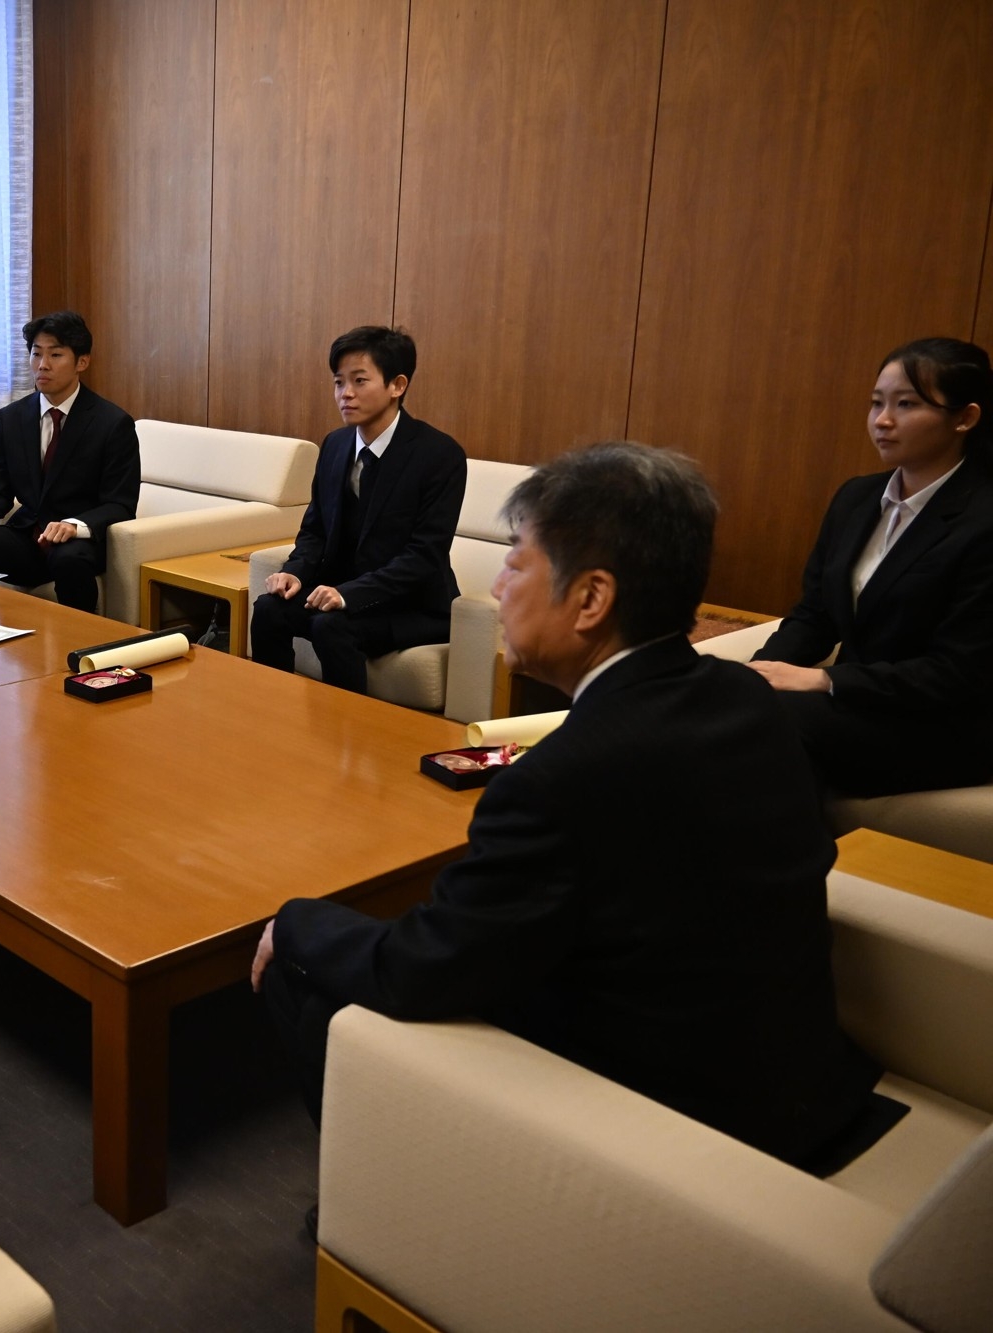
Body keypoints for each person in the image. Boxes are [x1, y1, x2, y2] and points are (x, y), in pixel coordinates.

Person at [254, 443, 886, 1174]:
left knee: (308, 966)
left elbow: (419, 971)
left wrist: (297, 919)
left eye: (517, 561)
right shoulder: (749, 699)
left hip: (670, 1122)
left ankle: (387, 1221)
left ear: (591, 599)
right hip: (800, 1083)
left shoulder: (557, 780)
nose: (497, 583)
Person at [750, 336, 993, 798]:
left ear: (965, 417)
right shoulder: (857, 498)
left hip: (940, 727)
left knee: (770, 728)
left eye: (905, 404)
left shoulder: (983, 521)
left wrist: (824, 679)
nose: (882, 420)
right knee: (726, 706)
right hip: (855, 706)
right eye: (876, 403)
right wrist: (760, 672)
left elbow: (960, 672)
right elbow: (815, 616)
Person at [252, 326, 466, 695]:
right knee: (269, 608)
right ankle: (272, 714)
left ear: (397, 385)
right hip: (342, 593)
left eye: (359, 381)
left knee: (331, 626)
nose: (345, 394)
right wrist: (295, 572)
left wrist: (348, 593)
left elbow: (424, 556)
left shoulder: (439, 455)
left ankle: (346, 742)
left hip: (411, 605)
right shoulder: (335, 445)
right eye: (339, 382)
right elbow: (315, 530)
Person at [0, 311, 140, 613]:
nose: (42, 365)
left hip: (78, 542)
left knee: (69, 559)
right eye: (36, 354)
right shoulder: (12, 418)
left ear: (82, 362)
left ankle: (81, 642)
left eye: (55, 355)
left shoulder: (112, 423)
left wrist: (73, 525)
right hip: (28, 536)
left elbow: (120, 504)